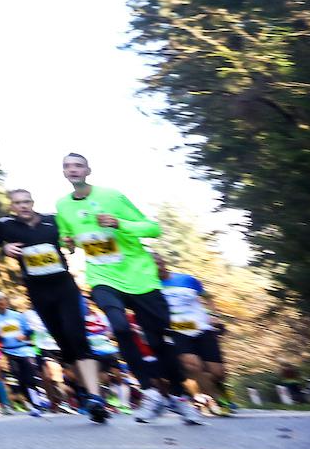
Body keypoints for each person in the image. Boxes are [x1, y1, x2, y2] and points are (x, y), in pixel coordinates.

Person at [56, 153, 203, 425]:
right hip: (102, 277)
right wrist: (68, 243)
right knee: (120, 327)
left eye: (77, 165)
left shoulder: (112, 196)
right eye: (67, 166)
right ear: (63, 172)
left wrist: (119, 223)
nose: (72, 170)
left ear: (88, 170)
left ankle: (180, 397)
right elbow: (68, 238)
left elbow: (152, 229)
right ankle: (149, 392)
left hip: (140, 277)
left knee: (159, 340)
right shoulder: (62, 206)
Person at [0, 188, 108, 422]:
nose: (23, 206)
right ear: (11, 206)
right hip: (38, 293)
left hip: (65, 287)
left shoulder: (52, 220)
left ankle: (96, 397)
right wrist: (3, 249)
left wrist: (71, 243)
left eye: (26, 201)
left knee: (77, 337)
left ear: (33, 202)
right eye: (17, 203)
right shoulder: (5, 225)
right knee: (65, 346)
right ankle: (88, 395)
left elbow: (73, 238)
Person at [154, 253, 233, 416]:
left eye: (159, 262)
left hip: (202, 327)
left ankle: (220, 387)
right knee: (193, 366)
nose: (157, 266)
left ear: (164, 262)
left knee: (217, 372)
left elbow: (207, 297)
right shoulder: (150, 287)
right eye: (153, 264)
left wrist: (215, 315)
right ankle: (216, 401)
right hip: (177, 330)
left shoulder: (187, 280)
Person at [0, 291, 45, 416]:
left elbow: (29, 330)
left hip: (24, 349)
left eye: (2, 302)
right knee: (19, 379)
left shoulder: (18, 315)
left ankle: (37, 403)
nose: (0, 305)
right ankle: (32, 403)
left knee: (29, 377)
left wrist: (24, 335)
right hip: (8, 351)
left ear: (6, 302)